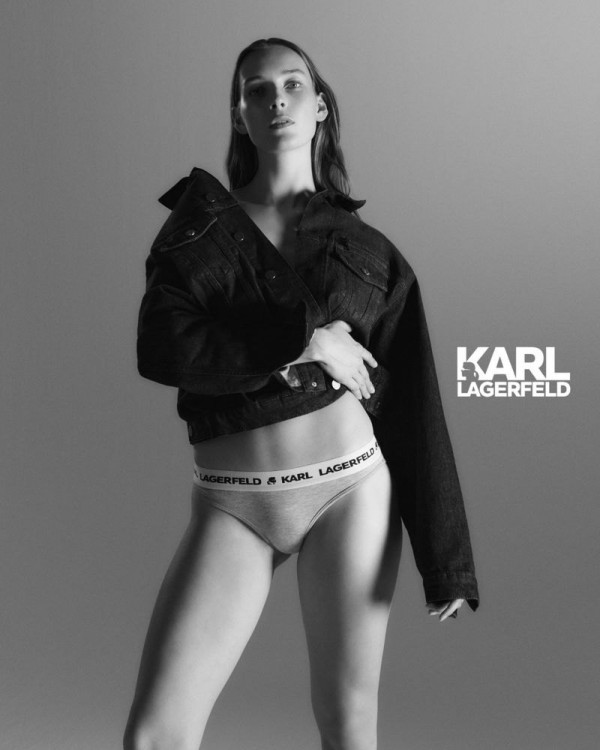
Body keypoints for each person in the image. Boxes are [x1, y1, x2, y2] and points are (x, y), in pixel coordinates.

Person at [124, 37, 479, 750]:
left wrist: (447, 562)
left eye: (293, 85)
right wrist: (306, 343)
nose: (276, 100)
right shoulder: (197, 233)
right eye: (257, 90)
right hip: (231, 501)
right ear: (240, 115)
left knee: (348, 726)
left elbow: (414, 404)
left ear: (320, 107)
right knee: (156, 736)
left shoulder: (369, 251)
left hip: (351, 490)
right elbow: (164, 349)